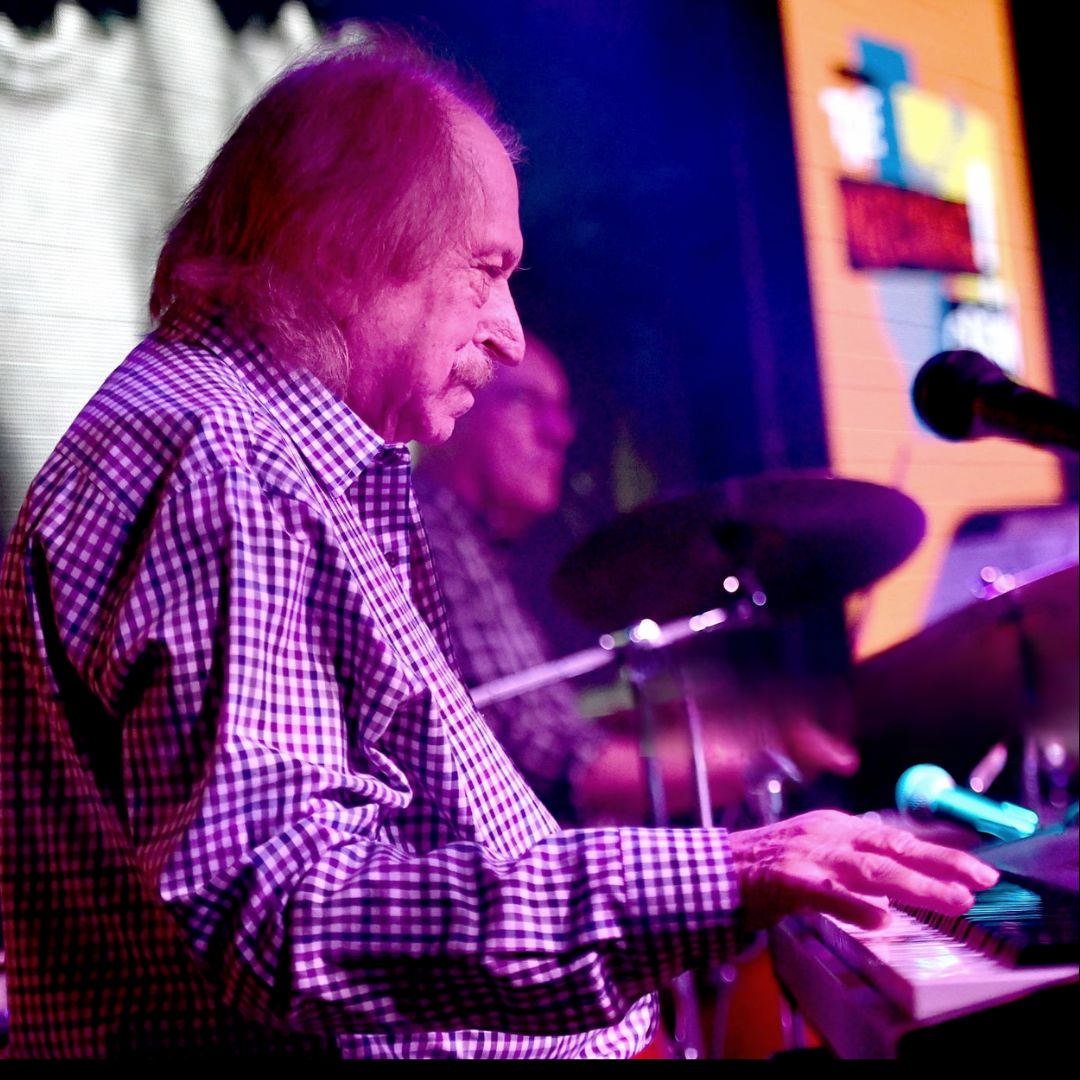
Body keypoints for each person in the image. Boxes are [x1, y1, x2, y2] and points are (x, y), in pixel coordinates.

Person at [0, 32, 1000, 1060]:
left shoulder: (258, 453)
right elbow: (285, 909)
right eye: (486, 271)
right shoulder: (220, 456)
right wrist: (727, 873)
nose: (511, 333)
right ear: (348, 243)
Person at [416, 332, 861, 827]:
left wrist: (690, 727)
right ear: (455, 405)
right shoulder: (433, 531)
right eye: (525, 401)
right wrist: (761, 756)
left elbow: (534, 735)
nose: (560, 432)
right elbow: (548, 762)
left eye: (563, 410)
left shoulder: (470, 545)